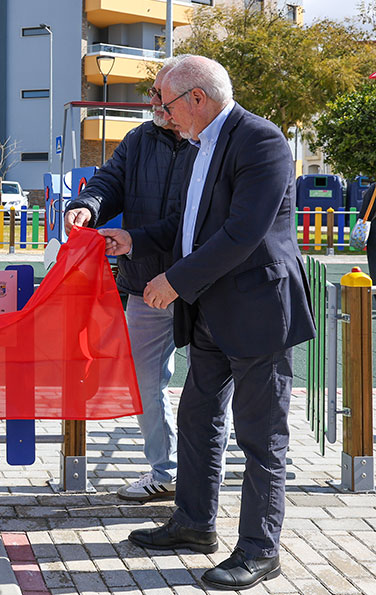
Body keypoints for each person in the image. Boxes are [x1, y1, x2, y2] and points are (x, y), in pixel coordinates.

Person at [100, 55, 315, 590]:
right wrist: (136, 240)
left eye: (166, 100)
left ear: (197, 98)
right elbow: (189, 223)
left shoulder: (261, 141)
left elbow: (241, 233)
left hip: (258, 313)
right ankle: (194, 524)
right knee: (198, 418)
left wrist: (174, 281)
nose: (161, 111)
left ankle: (260, 550)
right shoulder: (201, 144)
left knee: (261, 436)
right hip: (211, 313)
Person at [64, 57, 191, 502]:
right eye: (153, 93)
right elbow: (109, 181)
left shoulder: (212, 145)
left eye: (160, 94)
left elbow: (194, 221)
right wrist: (87, 206)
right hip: (144, 284)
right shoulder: (139, 139)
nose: (153, 101)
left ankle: (202, 476)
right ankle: (166, 471)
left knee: (211, 388)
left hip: (200, 283)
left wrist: (136, 240)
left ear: (190, 97)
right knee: (144, 383)